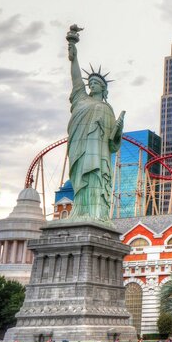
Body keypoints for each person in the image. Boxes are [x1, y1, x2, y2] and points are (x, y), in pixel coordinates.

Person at [66, 25, 124, 222]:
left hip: (99, 154)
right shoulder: (81, 98)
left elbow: (112, 143)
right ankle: (79, 212)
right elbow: (75, 78)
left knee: (97, 181)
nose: (91, 85)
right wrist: (73, 51)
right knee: (80, 180)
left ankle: (96, 214)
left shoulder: (108, 109)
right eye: (90, 82)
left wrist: (118, 129)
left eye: (96, 83)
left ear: (104, 88)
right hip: (80, 147)